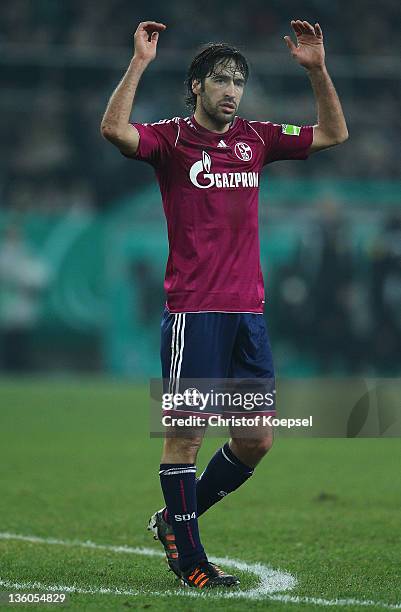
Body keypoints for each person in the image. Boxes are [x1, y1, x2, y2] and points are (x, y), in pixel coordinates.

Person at [101, 19, 348, 589]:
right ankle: (191, 562)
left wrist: (317, 69)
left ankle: (172, 521)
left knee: (256, 439)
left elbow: (334, 134)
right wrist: (139, 62)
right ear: (196, 86)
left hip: (248, 315)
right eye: (220, 79)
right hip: (195, 312)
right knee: (185, 436)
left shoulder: (256, 139)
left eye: (238, 80)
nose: (232, 89)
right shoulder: (170, 140)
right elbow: (114, 129)